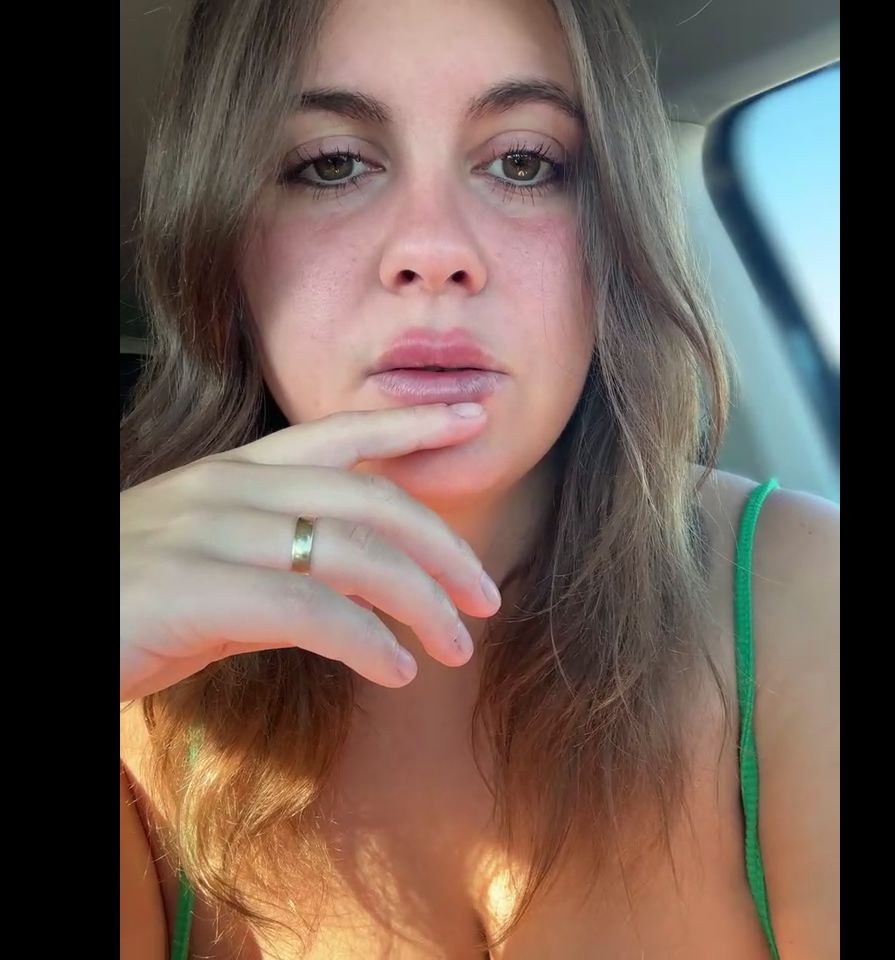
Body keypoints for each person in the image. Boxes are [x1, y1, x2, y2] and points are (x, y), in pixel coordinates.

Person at [120, 0, 840, 957]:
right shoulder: (142, 691)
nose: (435, 252)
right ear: (222, 251)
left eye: (524, 163)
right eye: (330, 164)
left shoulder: (811, 595)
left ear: (612, 237)